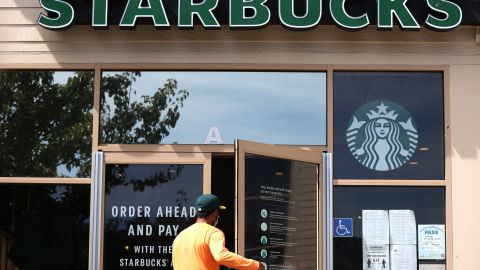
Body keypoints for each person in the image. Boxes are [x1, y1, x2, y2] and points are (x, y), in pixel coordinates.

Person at [172, 194, 265, 270]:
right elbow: (221, 256)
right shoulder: (213, 233)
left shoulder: (180, 237)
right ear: (214, 213)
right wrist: (255, 265)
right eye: (218, 212)